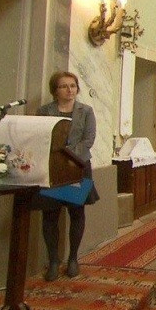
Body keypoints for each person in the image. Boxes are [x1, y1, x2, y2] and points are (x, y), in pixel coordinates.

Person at [33, 71, 97, 281]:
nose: (70, 90)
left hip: (77, 166)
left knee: (76, 212)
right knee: (50, 214)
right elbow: (39, 138)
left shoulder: (86, 111)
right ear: (55, 90)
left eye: (73, 85)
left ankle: (73, 259)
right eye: (64, 86)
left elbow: (88, 140)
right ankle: (53, 260)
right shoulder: (44, 112)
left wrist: (68, 156)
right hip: (51, 168)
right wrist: (56, 158)